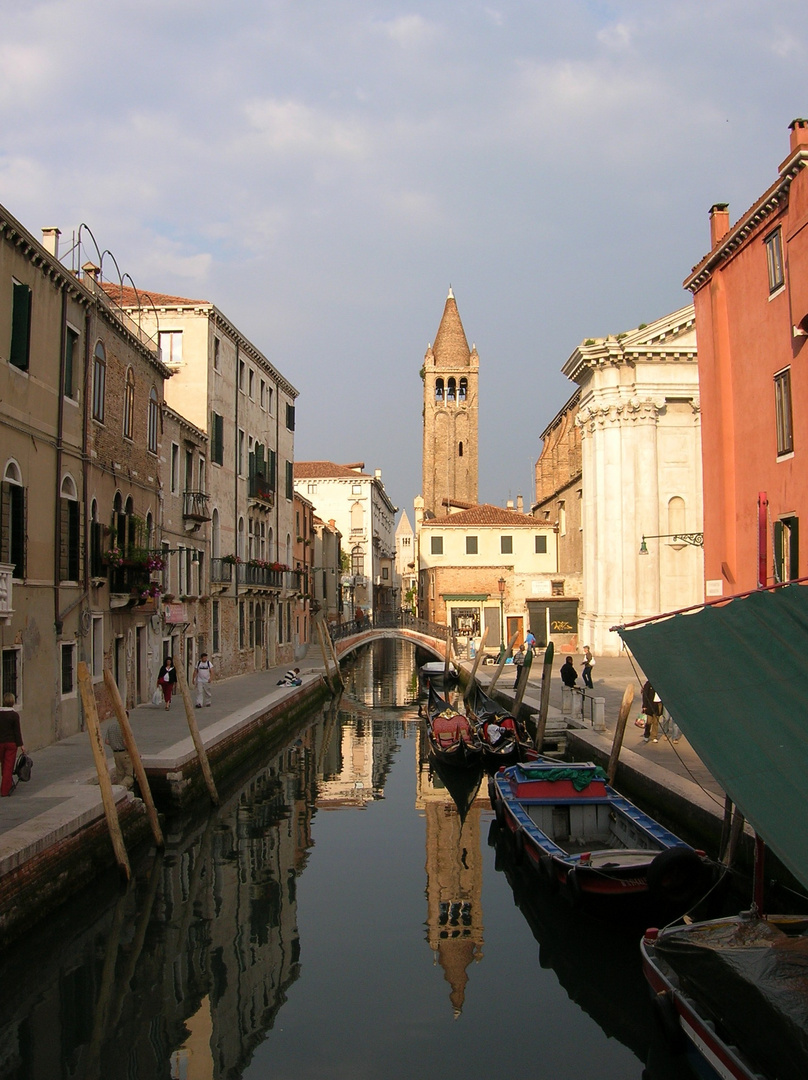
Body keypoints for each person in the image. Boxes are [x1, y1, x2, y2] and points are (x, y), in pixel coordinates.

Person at [0, 692, 24, 797]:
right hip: (11, 744)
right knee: (8, 767)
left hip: (0, 743)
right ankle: (5, 790)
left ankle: (5, 783)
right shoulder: (14, 715)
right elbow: (17, 731)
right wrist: (21, 745)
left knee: (3, 764)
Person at [104, 718, 134, 789]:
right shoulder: (124, 727)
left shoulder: (111, 727)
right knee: (129, 776)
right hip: (125, 753)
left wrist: (115, 744)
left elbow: (107, 741)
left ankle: (119, 790)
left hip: (116, 754)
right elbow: (125, 743)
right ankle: (121, 787)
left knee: (120, 774)